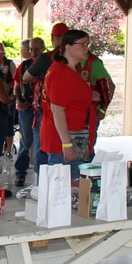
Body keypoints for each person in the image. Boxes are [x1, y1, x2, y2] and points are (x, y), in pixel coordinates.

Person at [40, 29, 94, 180]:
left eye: (87, 44)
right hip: (65, 140)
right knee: (65, 187)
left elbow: (69, 97)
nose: (87, 48)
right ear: (68, 47)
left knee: (76, 184)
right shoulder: (61, 73)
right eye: (83, 44)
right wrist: (66, 144)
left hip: (76, 136)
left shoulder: (69, 70)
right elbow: (57, 110)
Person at [22, 22, 68, 178]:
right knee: (66, 154)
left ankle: (42, 184)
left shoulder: (45, 58)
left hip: (47, 111)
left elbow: (26, 77)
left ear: (52, 38)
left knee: (42, 151)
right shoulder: (80, 58)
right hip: (71, 113)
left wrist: (41, 79)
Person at [13, 37, 44, 187]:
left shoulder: (48, 63)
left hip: (41, 110)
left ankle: (41, 176)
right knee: (26, 141)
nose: (33, 52)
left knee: (40, 143)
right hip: (26, 109)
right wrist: (19, 101)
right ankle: (20, 172)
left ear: (43, 49)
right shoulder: (24, 65)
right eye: (31, 49)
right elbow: (17, 85)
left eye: (37, 49)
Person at [0, 42, 17, 157]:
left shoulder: (9, 63)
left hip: (9, 100)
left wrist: (5, 86)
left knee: (9, 126)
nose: (0, 52)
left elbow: (16, 80)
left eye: (2, 49)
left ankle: (9, 151)